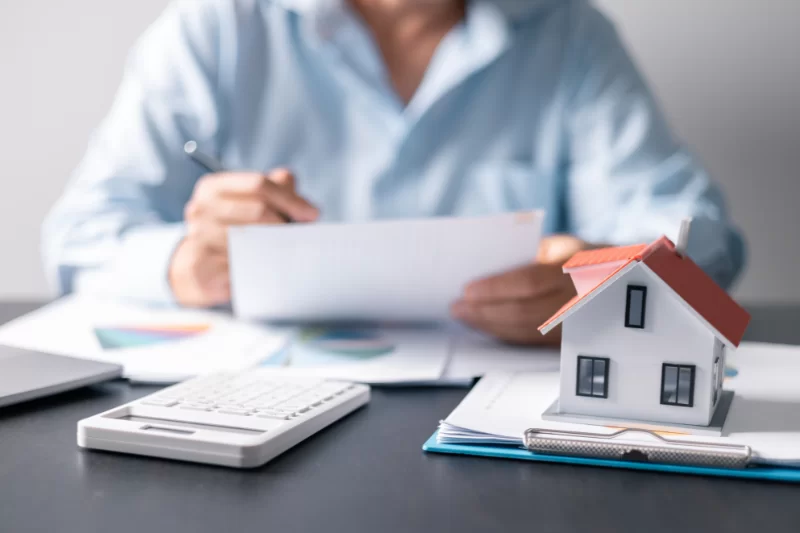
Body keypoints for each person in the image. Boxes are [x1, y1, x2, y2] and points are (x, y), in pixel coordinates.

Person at [42, 0, 745, 346]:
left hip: (497, 432)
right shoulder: (218, 26)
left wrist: (596, 280)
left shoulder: (570, 36)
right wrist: (183, 265)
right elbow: (79, 235)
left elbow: (703, 237)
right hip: (252, 415)